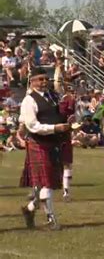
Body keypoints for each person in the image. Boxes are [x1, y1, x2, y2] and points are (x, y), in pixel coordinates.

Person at [19, 67, 71, 230]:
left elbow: (58, 116)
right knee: (47, 182)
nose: (44, 82)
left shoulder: (53, 96)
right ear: (32, 81)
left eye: (45, 79)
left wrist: (68, 120)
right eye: (40, 79)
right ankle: (51, 219)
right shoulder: (29, 100)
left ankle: (29, 210)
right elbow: (33, 126)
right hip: (38, 143)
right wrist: (55, 128)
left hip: (53, 143)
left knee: (45, 183)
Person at [58, 86, 76, 201]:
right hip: (59, 135)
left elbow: (72, 119)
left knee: (66, 163)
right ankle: (66, 190)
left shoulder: (66, 101)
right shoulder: (68, 101)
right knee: (65, 164)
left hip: (62, 136)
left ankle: (66, 190)